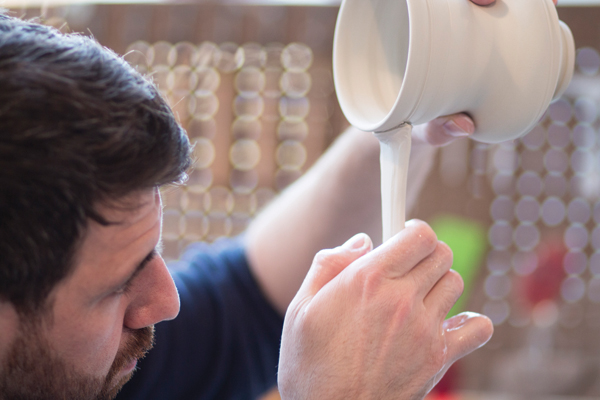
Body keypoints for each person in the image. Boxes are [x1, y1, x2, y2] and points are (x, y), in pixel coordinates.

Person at [0, 0, 500, 398]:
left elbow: (250, 301)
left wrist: (406, 99)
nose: (166, 302)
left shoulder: (78, 372)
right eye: (114, 288)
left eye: (152, 253)